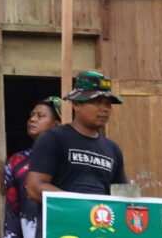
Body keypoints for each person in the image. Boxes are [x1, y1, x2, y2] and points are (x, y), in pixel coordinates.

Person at [26, 72, 127, 208]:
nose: (104, 109)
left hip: (101, 226)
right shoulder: (53, 138)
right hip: (62, 227)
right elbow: (35, 188)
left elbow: (121, 194)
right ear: (76, 104)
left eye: (108, 104)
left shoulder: (112, 148)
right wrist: (80, 208)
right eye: (96, 102)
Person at [3, 96, 62, 238]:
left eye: (40, 116)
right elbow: (12, 211)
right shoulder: (16, 161)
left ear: (56, 124)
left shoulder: (68, 158)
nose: (33, 119)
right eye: (32, 116)